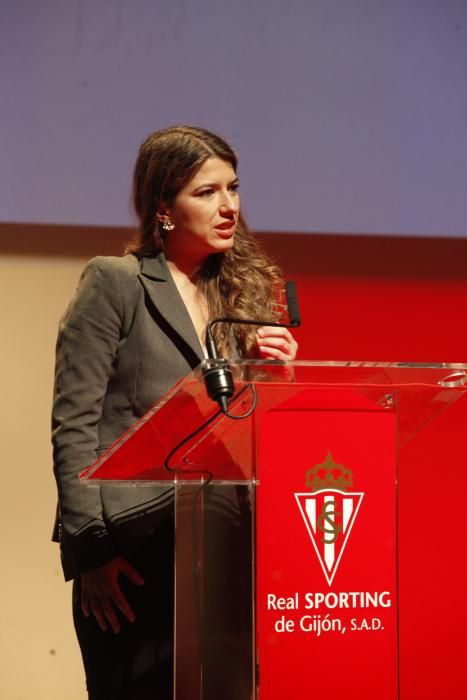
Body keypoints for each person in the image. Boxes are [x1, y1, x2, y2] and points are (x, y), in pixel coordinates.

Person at [52, 125, 298, 699]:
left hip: (224, 545)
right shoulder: (117, 282)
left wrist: (275, 375)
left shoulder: (242, 299)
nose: (229, 206)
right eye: (206, 192)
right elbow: (74, 423)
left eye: (233, 188)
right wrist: (93, 551)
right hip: (133, 551)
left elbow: (247, 430)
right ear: (162, 206)